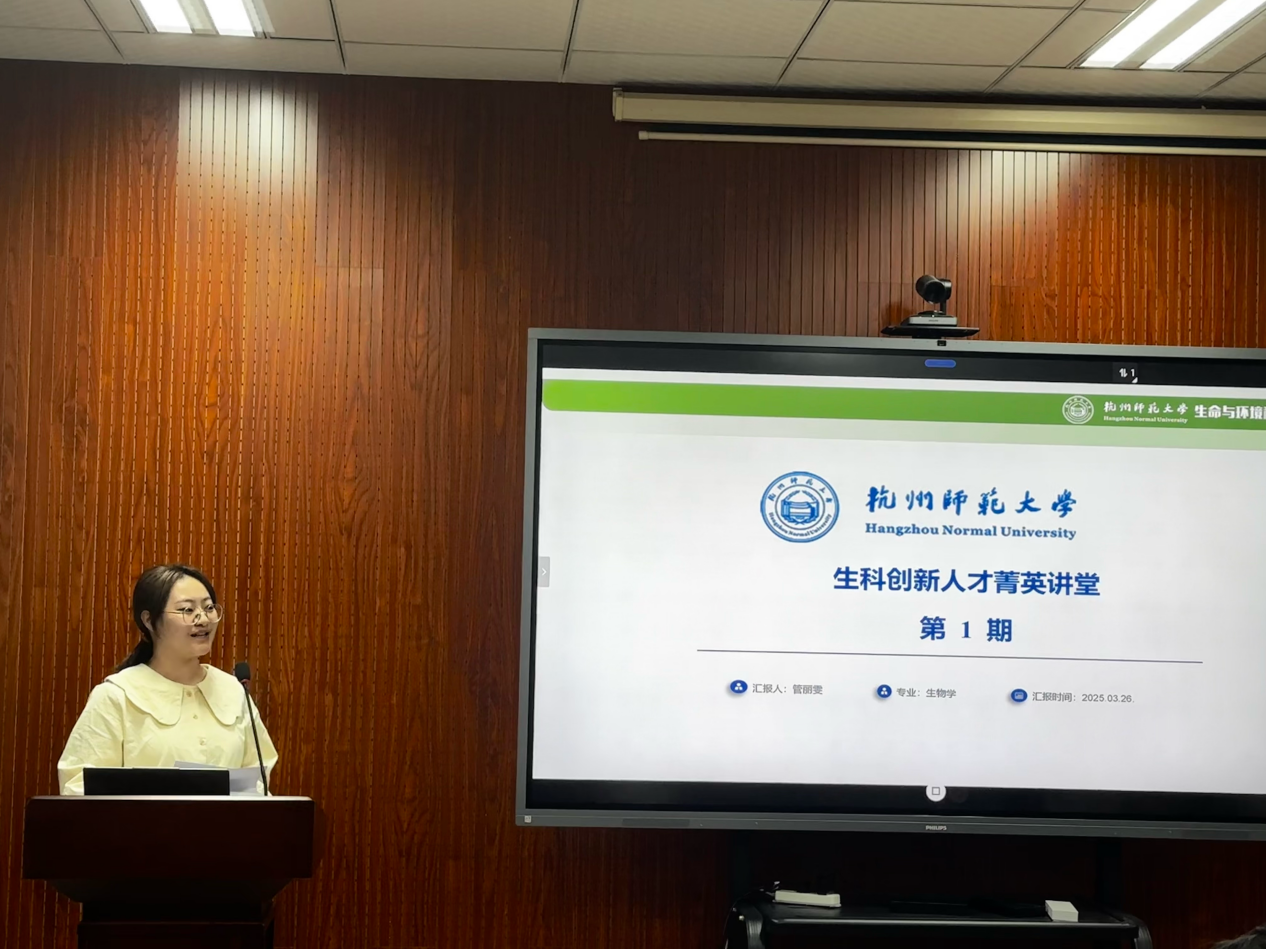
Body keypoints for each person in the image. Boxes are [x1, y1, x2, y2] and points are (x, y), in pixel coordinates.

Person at [58, 563, 277, 795]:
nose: (203, 619)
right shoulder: (117, 695)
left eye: (209, 607)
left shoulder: (233, 690)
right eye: (187, 610)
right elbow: (79, 786)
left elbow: (258, 783)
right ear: (149, 621)